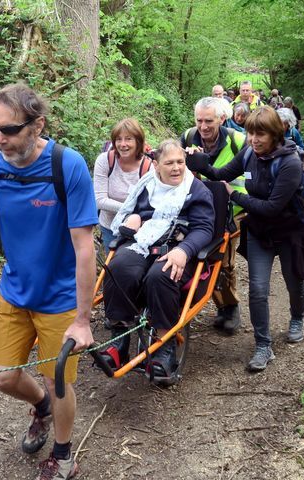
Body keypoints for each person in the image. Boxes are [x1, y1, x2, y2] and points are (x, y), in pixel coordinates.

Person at [0, 83, 97, 480]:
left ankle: (63, 456)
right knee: (2, 376)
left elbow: (85, 247)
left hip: (59, 297)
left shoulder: (67, 165)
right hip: (15, 290)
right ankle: (39, 407)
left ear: (37, 125)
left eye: (9, 130)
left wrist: (84, 319)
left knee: (57, 381)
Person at [187, 106, 304, 372]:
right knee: (258, 289)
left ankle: (297, 318)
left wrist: (235, 196)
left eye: (260, 134)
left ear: (274, 134)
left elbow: (272, 207)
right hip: (261, 232)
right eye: (251, 133)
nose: (254, 139)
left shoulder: (290, 162)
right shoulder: (249, 152)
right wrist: (196, 161)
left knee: (293, 280)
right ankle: (263, 345)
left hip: (289, 231)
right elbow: (220, 174)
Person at [99, 139, 214, 379]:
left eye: (180, 162)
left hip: (179, 245)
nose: (176, 168)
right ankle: (119, 341)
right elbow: (134, 212)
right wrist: (133, 218)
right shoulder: (146, 186)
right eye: (169, 163)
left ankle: (164, 346)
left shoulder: (196, 190)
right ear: (156, 165)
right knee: (118, 269)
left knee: (161, 276)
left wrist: (184, 250)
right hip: (144, 241)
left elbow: (204, 228)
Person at [181, 97, 246, 334]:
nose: (203, 126)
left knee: (224, 261)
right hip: (198, 209)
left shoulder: (238, 141)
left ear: (222, 118)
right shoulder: (188, 137)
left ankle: (229, 307)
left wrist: (230, 188)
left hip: (232, 210)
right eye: (199, 120)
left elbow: (251, 176)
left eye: (209, 120)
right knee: (196, 256)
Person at [93, 118, 153, 252]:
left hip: (137, 229)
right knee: (112, 266)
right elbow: (99, 200)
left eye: (128, 139)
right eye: (118, 139)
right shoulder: (105, 161)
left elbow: (151, 204)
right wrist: (130, 210)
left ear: (138, 141)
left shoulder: (148, 168)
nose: (123, 144)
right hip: (109, 226)